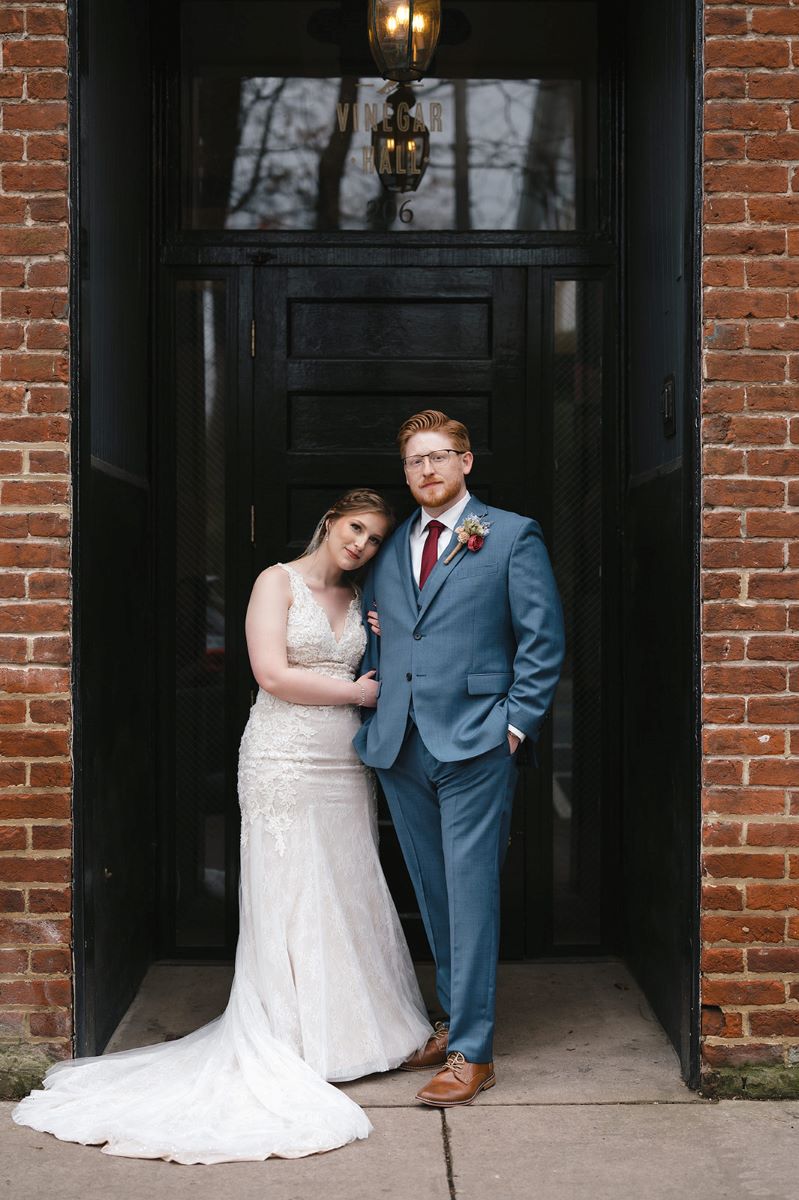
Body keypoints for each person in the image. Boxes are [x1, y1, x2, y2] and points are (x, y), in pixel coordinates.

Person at [13, 489, 432, 1164]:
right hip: (280, 755)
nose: (362, 544)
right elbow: (272, 673)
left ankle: (357, 1033)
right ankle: (292, 1037)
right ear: (330, 520)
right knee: (289, 888)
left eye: (377, 538)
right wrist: (357, 691)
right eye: (356, 528)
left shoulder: (361, 606)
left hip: (342, 761)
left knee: (347, 883)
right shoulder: (276, 581)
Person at [354, 411, 565, 1108]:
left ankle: (474, 1051)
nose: (426, 471)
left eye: (439, 457)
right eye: (414, 461)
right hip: (401, 746)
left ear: (466, 462)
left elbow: (541, 642)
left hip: (477, 742)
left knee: (471, 896)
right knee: (434, 892)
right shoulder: (388, 551)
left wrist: (513, 728)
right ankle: (452, 1021)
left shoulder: (508, 535)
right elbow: (385, 636)